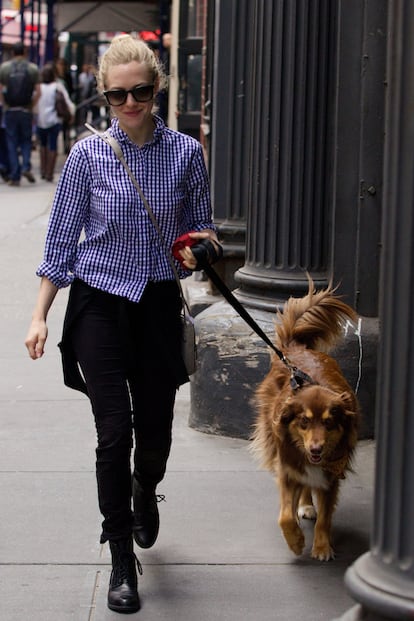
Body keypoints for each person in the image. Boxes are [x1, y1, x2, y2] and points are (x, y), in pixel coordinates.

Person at [25, 34, 221, 615]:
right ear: (104, 97)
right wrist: (39, 316)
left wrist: (199, 248)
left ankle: (145, 487)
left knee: (154, 433)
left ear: (157, 88)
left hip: (158, 305)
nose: (129, 103)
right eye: (117, 95)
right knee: (114, 432)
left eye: (140, 91)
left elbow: (202, 229)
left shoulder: (186, 153)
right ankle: (119, 558)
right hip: (99, 305)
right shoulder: (87, 157)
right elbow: (59, 244)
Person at [0, 42, 40, 186]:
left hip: (10, 111)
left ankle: (15, 175)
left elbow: (1, 90)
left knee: (11, 142)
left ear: (12, 53)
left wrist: (6, 105)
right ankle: (25, 166)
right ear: (25, 52)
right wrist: (31, 106)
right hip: (25, 110)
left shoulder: (4, 68)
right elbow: (38, 92)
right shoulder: (32, 68)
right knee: (26, 141)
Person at [36, 63, 75, 181]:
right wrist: (71, 113)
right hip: (54, 120)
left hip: (40, 121)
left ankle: (43, 170)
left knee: (42, 145)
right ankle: (49, 173)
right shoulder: (58, 86)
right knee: (53, 145)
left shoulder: (39, 87)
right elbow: (68, 102)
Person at [54, 57, 74, 154]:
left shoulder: (67, 76)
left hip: (65, 105)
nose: (60, 67)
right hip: (56, 107)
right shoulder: (54, 77)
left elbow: (71, 90)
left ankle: (66, 146)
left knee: (66, 128)